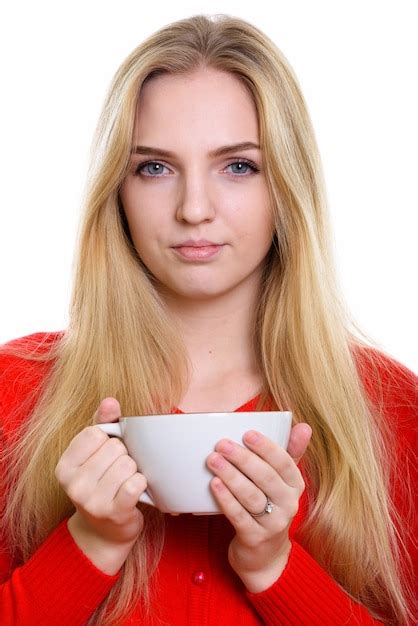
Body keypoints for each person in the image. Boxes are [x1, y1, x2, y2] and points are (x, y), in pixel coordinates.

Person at [0, 13, 416, 626]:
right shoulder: (14, 392)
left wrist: (276, 568)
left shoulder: (394, 410)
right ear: (117, 190)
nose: (194, 209)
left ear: (287, 188)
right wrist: (90, 543)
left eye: (238, 166)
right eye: (155, 167)